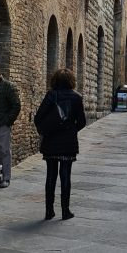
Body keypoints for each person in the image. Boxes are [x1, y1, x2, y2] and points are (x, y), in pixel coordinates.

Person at [34, 68, 86, 221]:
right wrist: (70, 130)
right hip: (68, 143)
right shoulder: (77, 97)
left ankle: (49, 211)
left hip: (51, 141)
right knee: (65, 176)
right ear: (71, 81)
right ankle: (65, 211)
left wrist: (48, 129)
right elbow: (82, 122)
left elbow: (38, 118)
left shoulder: (51, 95)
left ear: (55, 80)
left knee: (51, 175)